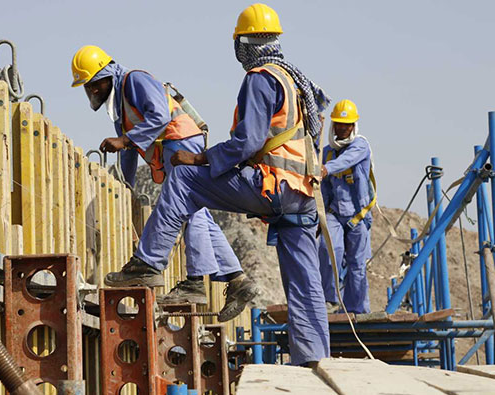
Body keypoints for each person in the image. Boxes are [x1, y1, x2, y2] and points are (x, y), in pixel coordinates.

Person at [94, 3, 333, 363]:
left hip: (275, 185)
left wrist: (201, 157)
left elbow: (247, 142)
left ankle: (149, 264)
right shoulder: (290, 78)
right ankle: (314, 358)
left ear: (242, 44)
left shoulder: (260, 78)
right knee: (304, 281)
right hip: (302, 192)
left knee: (186, 179)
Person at [70, 45, 245, 305]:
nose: (92, 90)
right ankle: (237, 277)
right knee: (197, 211)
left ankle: (194, 281)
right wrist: (123, 187)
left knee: (187, 208)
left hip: (181, 144)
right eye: (87, 86)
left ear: (107, 73)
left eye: (95, 83)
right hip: (176, 146)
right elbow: (129, 151)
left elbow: (160, 116)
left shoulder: (134, 80)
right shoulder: (121, 106)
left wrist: (125, 140)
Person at [319, 99, 373, 314]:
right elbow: (324, 188)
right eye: (339, 124)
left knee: (357, 265)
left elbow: (346, 161)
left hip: (357, 214)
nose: (342, 128)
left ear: (353, 126)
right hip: (334, 213)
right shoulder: (327, 152)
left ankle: (358, 309)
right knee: (328, 249)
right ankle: (331, 300)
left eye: (347, 124)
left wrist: (325, 168)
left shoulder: (360, 146)